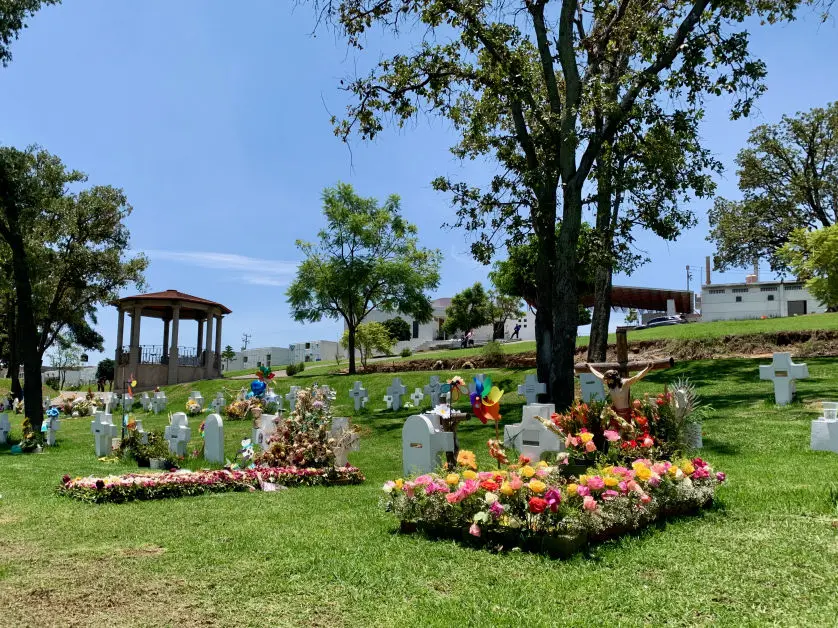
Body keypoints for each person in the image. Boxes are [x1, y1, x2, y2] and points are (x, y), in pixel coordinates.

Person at [586, 364, 652, 419]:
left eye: (608, 379)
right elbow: (598, 375)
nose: (606, 381)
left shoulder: (624, 383)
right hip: (615, 413)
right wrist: (590, 368)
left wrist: (648, 368)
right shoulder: (610, 384)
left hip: (626, 414)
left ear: (612, 378)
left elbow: (637, 377)